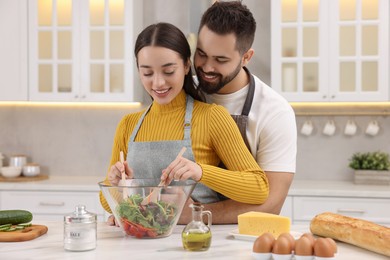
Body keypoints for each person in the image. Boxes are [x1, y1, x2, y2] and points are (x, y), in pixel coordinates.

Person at [99, 22, 269, 224]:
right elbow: (107, 202)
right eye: (147, 73)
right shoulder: (128, 124)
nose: (158, 83)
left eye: (169, 71)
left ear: (187, 66)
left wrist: (201, 172)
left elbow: (259, 188)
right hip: (142, 243)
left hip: (194, 242)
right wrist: (116, 184)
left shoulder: (212, 117)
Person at [179, 1, 297, 224]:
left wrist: (195, 214)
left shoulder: (275, 112)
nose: (206, 67)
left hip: (240, 237)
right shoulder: (182, 93)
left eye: (221, 60)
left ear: (246, 57)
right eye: (201, 54)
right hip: (178, 233)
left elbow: (270, 204)